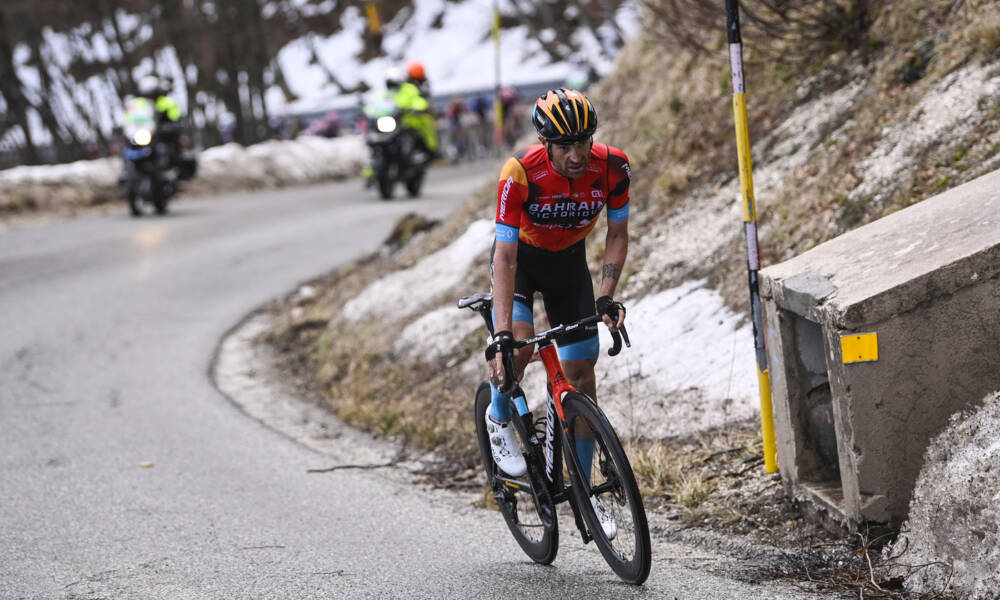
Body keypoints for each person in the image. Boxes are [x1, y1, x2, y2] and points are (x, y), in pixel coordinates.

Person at [485, 88, 630, 536]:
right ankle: (497, 416)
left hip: (569, 267)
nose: (576, 155)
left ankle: (586, 491)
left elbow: (617, 235)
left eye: (583, 142)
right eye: (565, 146)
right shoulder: (519, 173)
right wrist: (503, 332)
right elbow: (504, 257)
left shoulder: (614, 167)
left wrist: (606, 295)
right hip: (521, 265)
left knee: (581, 374)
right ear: (545, 143)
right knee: (518, 352)